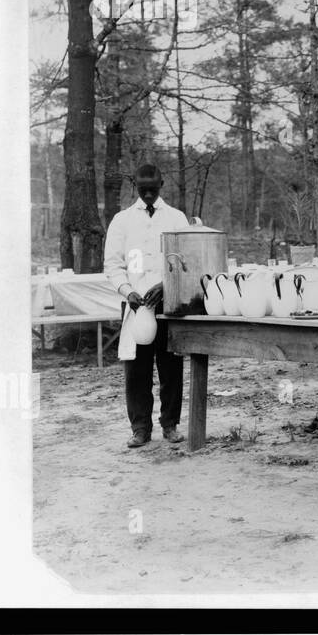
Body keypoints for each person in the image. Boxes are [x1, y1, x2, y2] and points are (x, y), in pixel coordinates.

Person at [103, 163, 190, 448]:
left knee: (171, 369)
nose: (149, 194)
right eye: (144, 190)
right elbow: (113, 265)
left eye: (154, 189)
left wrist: (168, 285)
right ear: (136, 186)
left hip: (168, 304)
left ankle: (170, 424)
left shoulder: (177, 218)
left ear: (162, 183)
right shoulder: (122, 220)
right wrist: (127, 291)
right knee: (137, 373)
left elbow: (187, 262)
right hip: (138, 307)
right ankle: (140, 428)